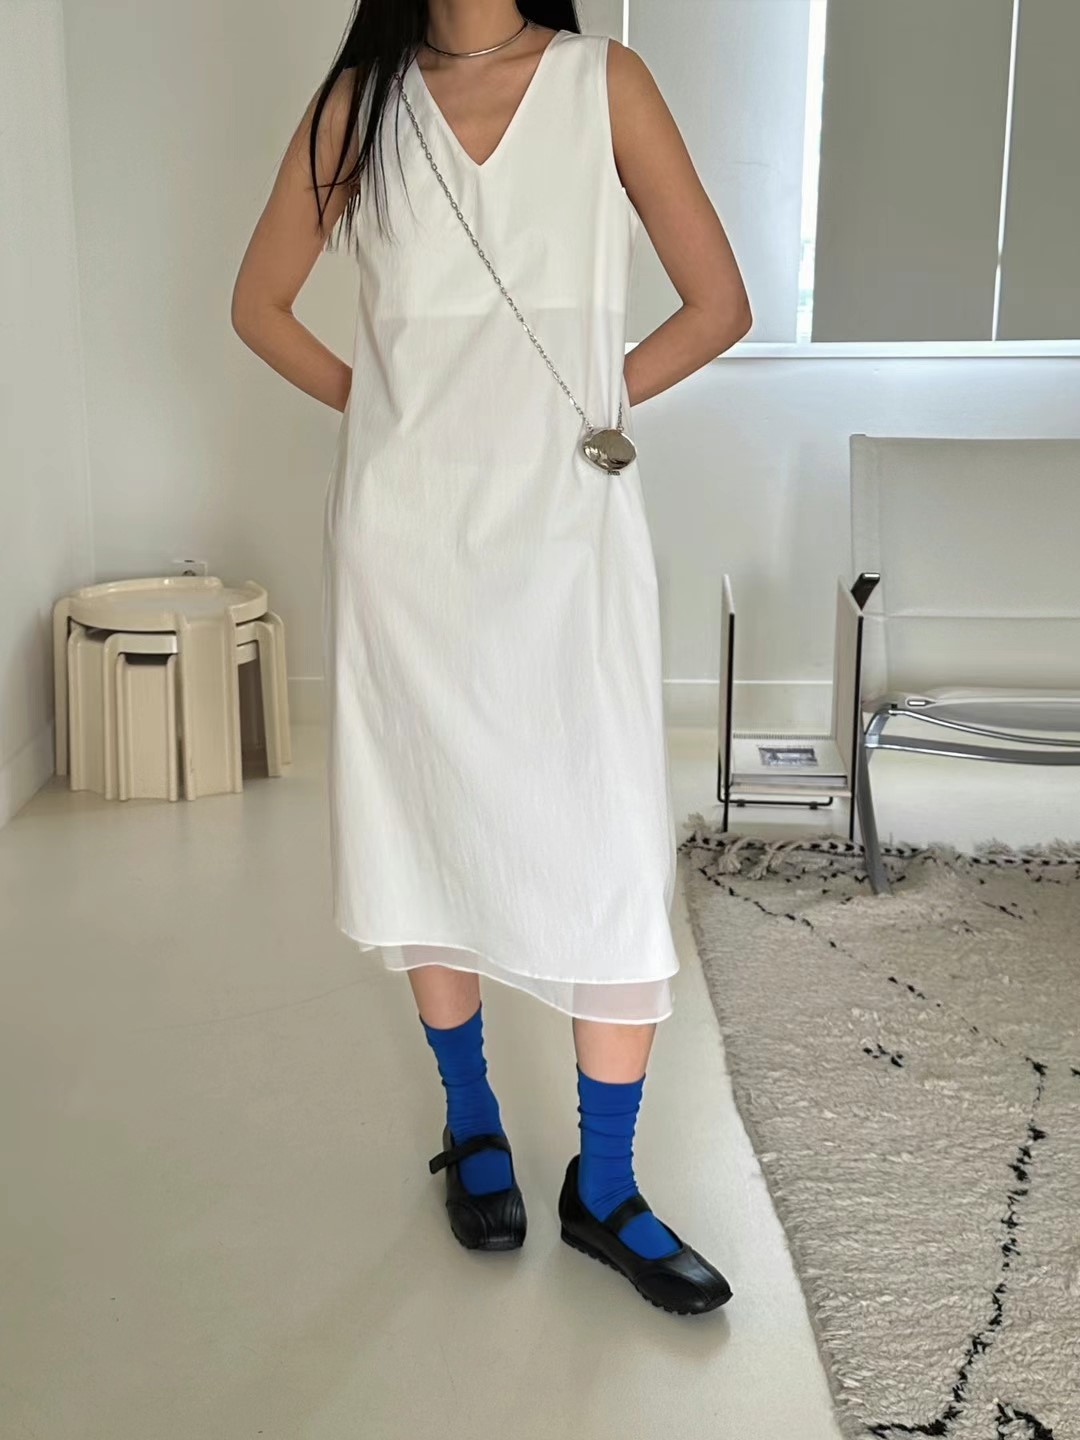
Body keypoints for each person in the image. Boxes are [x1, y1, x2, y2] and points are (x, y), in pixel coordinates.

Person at [232, 0, 751, 1316]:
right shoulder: (359, 104)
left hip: (570, 526)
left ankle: (606, 1187)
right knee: (426, 820)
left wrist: (584, 398)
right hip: (408, 543)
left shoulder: (604, 82)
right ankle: (473, 1124)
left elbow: (719, 305)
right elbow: (258, 306)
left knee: (611, 843)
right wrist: (391, 412)